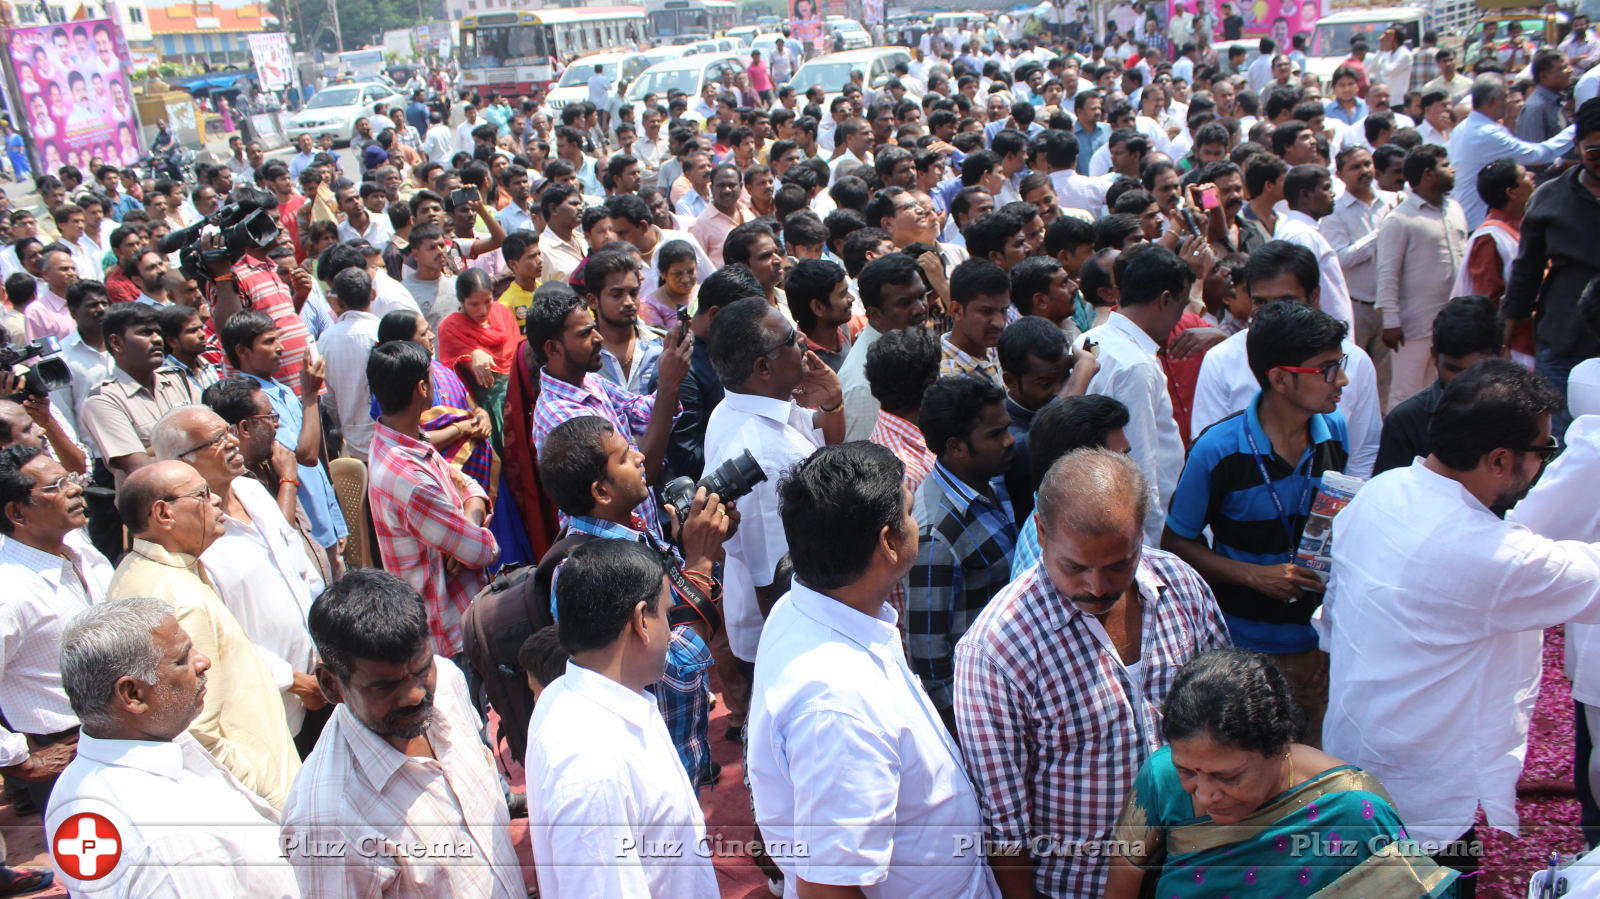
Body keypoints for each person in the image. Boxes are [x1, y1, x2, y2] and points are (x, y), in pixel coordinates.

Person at [1318, 359, 1595, 891]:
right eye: (1544, 451)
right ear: (1498, 460)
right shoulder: (1485, 553)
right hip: (1426, 798)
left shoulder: (1384, 490)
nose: (1545, 464)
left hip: (1356, 756)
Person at [955, 448, 1230, 897]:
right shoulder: (997, 650)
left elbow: (1229, 726)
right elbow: (1004, 826)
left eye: (1119, 564)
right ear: (1042, 532)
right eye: (1075, 567)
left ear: (1141, 533)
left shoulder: (1183, 588)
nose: (1096, 587)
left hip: (1195, 873)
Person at [748, 442, 1000, 897]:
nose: (917, 521)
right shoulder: (838, 707)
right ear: (888, 542)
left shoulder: (808, 606)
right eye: (908, 510)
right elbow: (828, 888)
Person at [1105, 650, 1459, 897]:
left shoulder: (1353, 810)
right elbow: (1126, 870)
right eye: (1188, 772)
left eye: (1228, 778)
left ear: (1278, 748)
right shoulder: (1162, 774)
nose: (1204, 794)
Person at [1163, 301, 1351, 746]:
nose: (1341, 380)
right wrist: (1255, 576)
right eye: (1327, 369)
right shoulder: (1218, 450)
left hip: (1318, 642)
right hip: (1244, 645)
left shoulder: (1335, 430)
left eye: (1338, 365)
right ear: (1281, 378)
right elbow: (1175, 541)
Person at [281, 569, 525, 897]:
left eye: (423, 670)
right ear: (330, 686)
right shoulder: (328, 825)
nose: (414, 695)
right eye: (385, 685)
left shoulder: (449, 683)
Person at [46, 597, 296, 895]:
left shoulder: (82, 778)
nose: (203, 662)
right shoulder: (171, 843)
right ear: (133, 694)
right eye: (182, 659)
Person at [524, 540, 718, 897]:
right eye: (667, 614)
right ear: (641, 620)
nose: (670, 631)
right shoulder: (593, 770)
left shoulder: (571, 695)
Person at [106, 460, 301, 808]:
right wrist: (265, 793)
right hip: (260, 797)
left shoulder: (150, 569)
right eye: (202, 494)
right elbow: (197, 731)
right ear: (164, 514)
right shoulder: (179, 600)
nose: (216, 501)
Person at [150, 407, 326, 749]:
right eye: (216, 440)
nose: (232, 441)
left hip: (321, 677)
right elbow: (220, 635)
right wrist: (293, 680)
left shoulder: (253, 491)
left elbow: (302, 575)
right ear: (182, 462)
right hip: (276, 705)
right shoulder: (191, 540)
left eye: (227, 430)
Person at [703, 296, 842, 695]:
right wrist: (800, 666)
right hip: (786, 636)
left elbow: (825, 437)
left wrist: (832, 401)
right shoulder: (763, 454)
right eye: (790, 341)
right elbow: (773, 579)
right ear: (762, 367)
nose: (803, 342)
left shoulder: (750, 406)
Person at [365, 339, 498, 660]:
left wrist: (470, 514)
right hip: (449, 634)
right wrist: (471, 524)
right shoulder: (407, 477)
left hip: (451, 618)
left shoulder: (402, 439)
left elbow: (466, 484)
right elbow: (483, 550)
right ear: (422, 388)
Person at [528, 282, 690, 537]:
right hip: (610, 546)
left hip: (639, 533)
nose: (598, 338)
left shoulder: (587, 380)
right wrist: (668, 385)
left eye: (594, 328)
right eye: (585, 333)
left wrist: (672, 368)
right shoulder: (560, 415)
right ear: (553, 348)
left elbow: (640, 412)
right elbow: (640, 474)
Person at [0, 446, 111, 815]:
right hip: (69, 758)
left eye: (71, 480)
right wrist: (18, 759)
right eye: (55, 486)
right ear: (17, 512)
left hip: (121, 731)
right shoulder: (10, 592)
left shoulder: (78, 552)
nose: (75, 490)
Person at [907, 375, 1017, 727]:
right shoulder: (935, 536)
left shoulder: (991, 478)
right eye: (995, 434)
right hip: (984, 709)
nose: (1009, 440)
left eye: (1007, 428)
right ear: (956, 447)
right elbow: (928, 653)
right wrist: (964, 730)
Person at [1076, 244, 1193, 543]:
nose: (1178, 320)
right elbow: (1140, 470)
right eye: (1180, 309)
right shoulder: (1137, 367)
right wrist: (1151, 552)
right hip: (1138, 532)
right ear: (1166, 300)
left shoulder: (1090, 338)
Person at [220, 311, 347, 568]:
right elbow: (306, 455)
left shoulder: (284, 390)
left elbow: (317, 466)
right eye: (268, 342)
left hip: (322, 519)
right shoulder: (252, 403)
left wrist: (336, 521)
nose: (279, 348)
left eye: (278, 340)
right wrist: (310, 396)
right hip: (300, 521)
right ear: (242, 351)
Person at [1504, 98, 1600, 436]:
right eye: (1594, 152)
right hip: (1563, 340)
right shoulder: (1550, 198)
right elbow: (1526, 271)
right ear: (1577, 146)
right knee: (1557, 441)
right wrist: (1508, 328)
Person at [1374, 145, 1468, 411]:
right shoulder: (1400, 219)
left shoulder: (1454, 209)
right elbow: (1387, 273)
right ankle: (1399, 449)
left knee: (1445, 393)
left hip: (1452, 324)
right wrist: (1390, 320)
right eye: (1445, 165)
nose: (1452, 170)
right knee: (1406, 395)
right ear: (1428, 174)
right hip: (1412, 327)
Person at [1374, 295, 1505, 475]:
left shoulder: (1519, 420)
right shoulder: (1406, 421)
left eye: (1476, 370)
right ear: (1434, 357)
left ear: (1500, 358)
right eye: (1453, 369)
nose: (1464, 382)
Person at [78, 304, 203, 485]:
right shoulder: (102, 400)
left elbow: (213, 435)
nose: (157, 339)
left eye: (158, 332)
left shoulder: (178, 380)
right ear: (116, 343)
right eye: (145, 333)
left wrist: (156, 450)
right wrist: (192, 442)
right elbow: (141, 469)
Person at [1320, 146, 1396, 408]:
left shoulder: (1393, 201)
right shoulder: (1334, 212)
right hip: (1358, 308)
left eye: (1367, 164)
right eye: (1355, 167)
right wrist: (1382, 232)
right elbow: (1341, 259)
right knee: (1351, 379)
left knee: (1386, 383)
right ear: (1340, 174)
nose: (1364, 171)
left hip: (1389, 307)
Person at [1448, 74, 1574, 230]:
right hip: (1479, 219)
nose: (1508, 102)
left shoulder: (1467, 127)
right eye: (1505, 97)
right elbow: (1539, 154)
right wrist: (1578, 128)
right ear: (1492, 101)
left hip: (1469, 215)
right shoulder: (1485, 133)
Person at [839, 253, 930, 441]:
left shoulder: (911, 348)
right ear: (875, 314)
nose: (920, 308)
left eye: (922, 296)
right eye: (904, 303)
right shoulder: (864, 386)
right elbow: (864, 462)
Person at [438, 268, 519, 450]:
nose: (483, 310)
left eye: (488, 301)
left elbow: (516, 354)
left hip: (515, 401)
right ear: (462, 301)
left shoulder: (502, 314)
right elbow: (453, 369)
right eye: (474, 304)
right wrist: (473, 353)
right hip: (482, 407)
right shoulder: (452, 327)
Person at [1274, 164, 1354, 327]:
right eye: (1325, 188)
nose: (1332, 194)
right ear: (1305, 195)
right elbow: (1301, 295)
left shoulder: (1304, 231)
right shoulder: (1302, 235)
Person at [317, 267, 381, 461]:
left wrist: (342, 426)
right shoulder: (382, 331)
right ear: (372, 294)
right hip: (389, 441)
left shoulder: (326, 339)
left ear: (339, 302)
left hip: (354, 443)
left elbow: (328, 398)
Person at [940, 259, 1009, 388]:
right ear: (956, 310)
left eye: (1004, 310)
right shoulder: (948, 380)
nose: (999, 323)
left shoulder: (996, 349)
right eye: (986, 311)